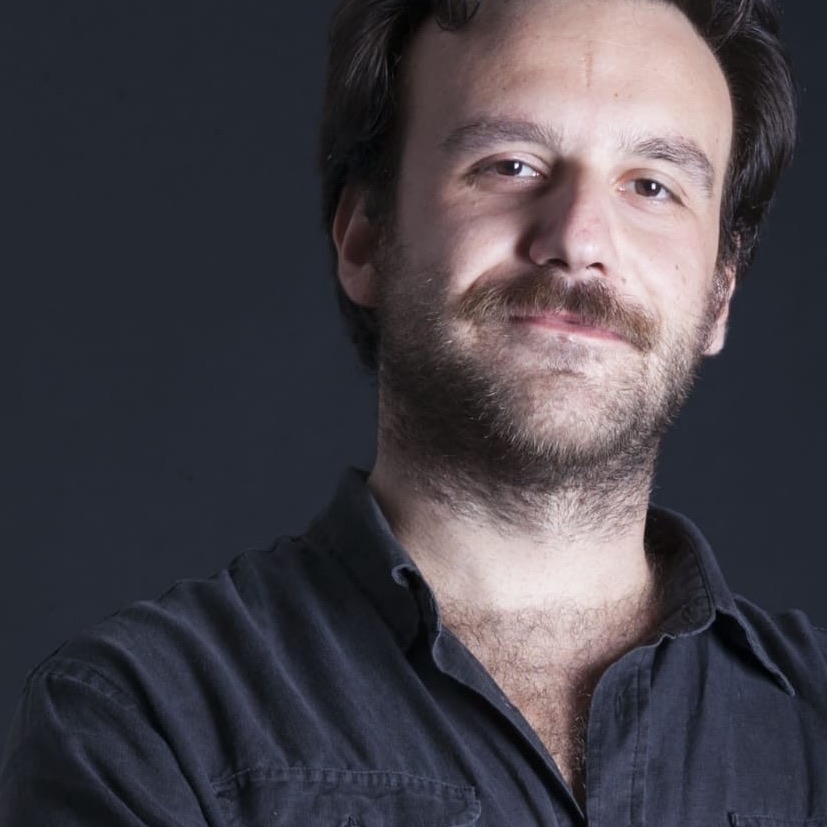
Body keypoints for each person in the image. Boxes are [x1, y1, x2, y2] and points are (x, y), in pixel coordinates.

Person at [0, 0, 820, 823]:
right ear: (364, 238)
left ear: (720, 294)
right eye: (510, 165)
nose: (579, 239)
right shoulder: (143, 725)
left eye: (651, 186)